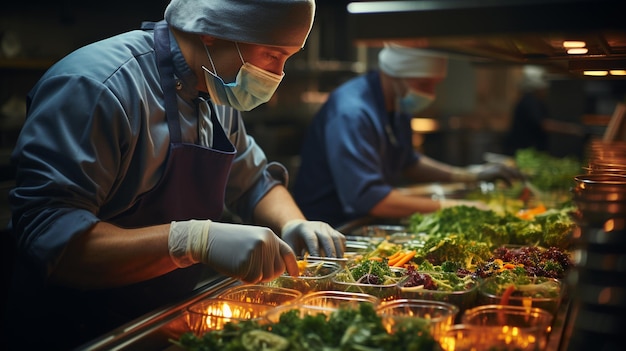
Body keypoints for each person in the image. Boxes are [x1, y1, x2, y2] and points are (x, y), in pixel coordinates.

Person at [3, 1, 345, 349]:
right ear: (211, 31)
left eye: (288, 58)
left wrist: (294, 224)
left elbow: (254, 180)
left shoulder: (215, 90)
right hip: (75, 330)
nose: (277, 74)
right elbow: (54, 240)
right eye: (272, 55)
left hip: (161, 317)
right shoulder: (97, 87)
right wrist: (194, 241)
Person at [293, 43, 523, 228]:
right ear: (396, 73)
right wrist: (455, 207)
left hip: (364, 222)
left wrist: (468, 176)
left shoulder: (398, 104)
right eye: (423, 84)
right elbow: (370, 198)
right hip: (331, 227)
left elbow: (407, 161)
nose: (430, 94)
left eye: (435, 85)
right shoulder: (352, 112)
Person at [503, 65, 586, 156]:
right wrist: (571, 129)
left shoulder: (533, 100)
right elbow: (544, 124)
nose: (546, 89)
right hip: (524, 151)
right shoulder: (530, 101)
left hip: (531, 151)